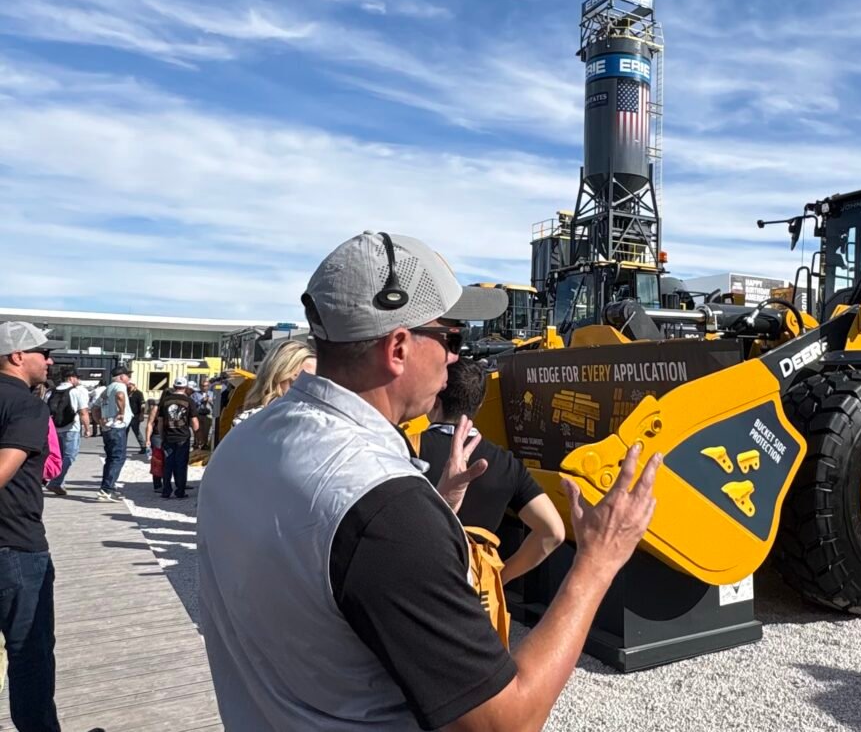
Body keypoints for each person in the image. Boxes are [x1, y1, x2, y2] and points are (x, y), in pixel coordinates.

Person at [197, 231, 662, 731]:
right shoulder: (386, 510)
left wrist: (435, 507)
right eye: (452, 339)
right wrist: (598, 559)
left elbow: (332, 581)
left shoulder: (241, 448)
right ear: (398, 347)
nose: (456, 358)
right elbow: (505, 723)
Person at [419, 358, 564, 585]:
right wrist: (500, 577)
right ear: (479, 405)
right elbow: (553, 532)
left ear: (435, 398)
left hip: (422, 587)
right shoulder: (506, 463)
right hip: (478, 594)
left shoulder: (409, 449)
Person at [0, 321, 65, 731]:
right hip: (16, 548)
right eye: (43, 352)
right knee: (30, 657)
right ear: (17, 356)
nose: (50, 360)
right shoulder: (26, 404)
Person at [228, 339, 316, 430]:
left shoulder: (320, 421)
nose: (312, 388)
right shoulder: (250, 422)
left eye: (317, 381)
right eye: (302, 380)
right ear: (277, 376)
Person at [147, 378, 197, 499]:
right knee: (181, 464)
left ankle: (166, 490)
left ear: (174, 386)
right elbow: (195, 422)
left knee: (168, 463)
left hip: (168, 436)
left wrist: (162, 435)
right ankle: (180, 491)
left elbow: (160, 421)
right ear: (185, 387)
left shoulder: (165, 401)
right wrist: (197, 436)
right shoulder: (189, 401)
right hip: (183, 436)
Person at [45, 369, 91, 496]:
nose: (79, 380)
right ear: (71, 378)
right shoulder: (76, 392)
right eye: (77, 378)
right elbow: (83, 412)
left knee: (57, 456)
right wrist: (87, 428)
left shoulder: (50, 392)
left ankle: (59, 482)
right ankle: (56, 481)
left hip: (54, 428)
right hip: (71, 428)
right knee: (70, 456)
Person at [96, 365, 133, 501]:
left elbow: (95, 407)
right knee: (118, 458)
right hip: (117, 426)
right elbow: (120, 396)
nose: (129, 378)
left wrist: (100, 421)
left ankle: (106, 487)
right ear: (122, 376)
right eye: (128, 375)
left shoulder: (106, 389)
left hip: (107, 427)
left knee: (111, 458)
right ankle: (107, 489)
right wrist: (122, 412)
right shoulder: (119, 386)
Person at [127, 381, 146, 455]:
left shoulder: (138, 393)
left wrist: (141, 414)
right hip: (127, 415)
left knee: (137, 431)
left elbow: (142, 404)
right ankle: (122, 447)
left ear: (134, 385)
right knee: (125, 432)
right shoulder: (126, 392)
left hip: (135, 415)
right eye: (128, 385)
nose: (129, 386)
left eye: (130, 385)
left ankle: (143, 447)